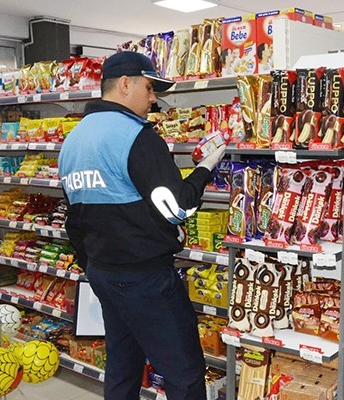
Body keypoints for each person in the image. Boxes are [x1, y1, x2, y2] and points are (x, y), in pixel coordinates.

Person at [59, 51, 226, 400]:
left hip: (103, 272)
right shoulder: (136, 136)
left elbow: (73, 217)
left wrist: (94, 265)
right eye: (150, 88)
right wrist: (207, 167)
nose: (154, 99)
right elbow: (178, 205)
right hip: (144, 277)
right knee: (184, 371)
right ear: (124, 84)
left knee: (123, 364)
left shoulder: (73, 140)